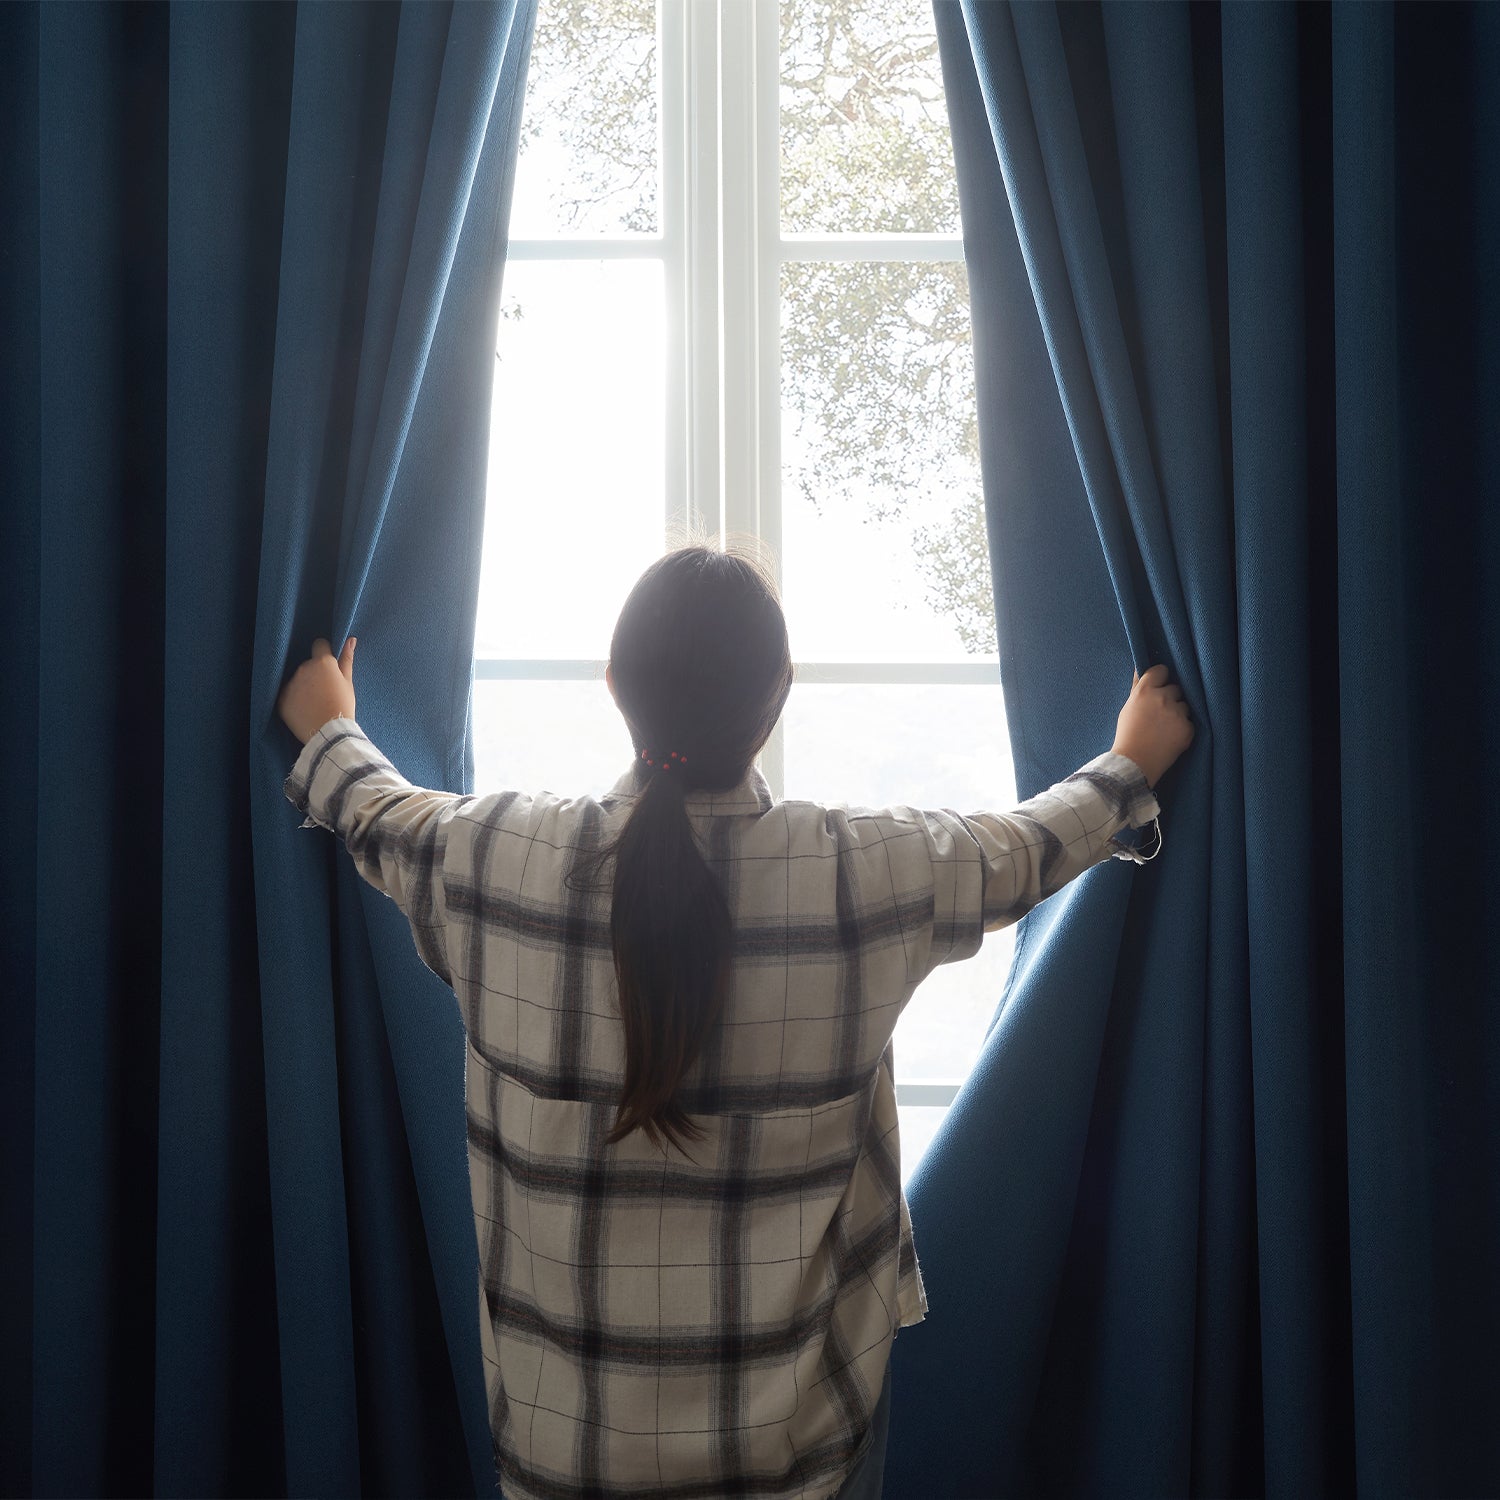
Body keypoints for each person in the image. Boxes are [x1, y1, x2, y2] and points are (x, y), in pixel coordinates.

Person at [277, 544, 1193, 1500]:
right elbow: (1021, 851)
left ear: (614, 687)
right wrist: (1136, 756)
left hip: (562, 1459)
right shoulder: (863, 871)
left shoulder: (495, 856)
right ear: (779, 695)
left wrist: (332, 725)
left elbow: (375, 810)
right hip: (800, 1461)